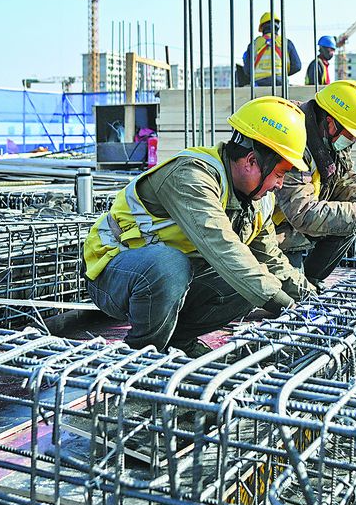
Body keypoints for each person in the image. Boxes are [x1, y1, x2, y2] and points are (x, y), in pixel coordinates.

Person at [81, 95, 315, 355]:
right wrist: (283, 304)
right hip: (114, 272)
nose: (280, 185)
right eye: (280, 174)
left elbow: (271, 259)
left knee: (250, 284)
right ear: (251, 161)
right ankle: (142, 354)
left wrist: (312, 300)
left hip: (172, 280)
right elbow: (222, 246)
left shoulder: (258, 201)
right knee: (171, 265)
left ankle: (176, 341)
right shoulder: (191, 176)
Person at [273, 79, 356, 286]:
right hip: (273, 230)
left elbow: (344, 180)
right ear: (330, 122)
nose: (352, 141)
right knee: (283, 294)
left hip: (294, 221)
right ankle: (297, 282)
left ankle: (310, 280)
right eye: (350, 135)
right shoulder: (294, 139)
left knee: (349, 222)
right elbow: (302, 214)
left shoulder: (328, 140)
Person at [241, 12, 301, 88]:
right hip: (280, 82)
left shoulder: (254, 44)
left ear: (262, 28)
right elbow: (297, 66)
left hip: (259, 83)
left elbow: (247, 70)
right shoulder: (286, 42)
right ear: (278, 27)